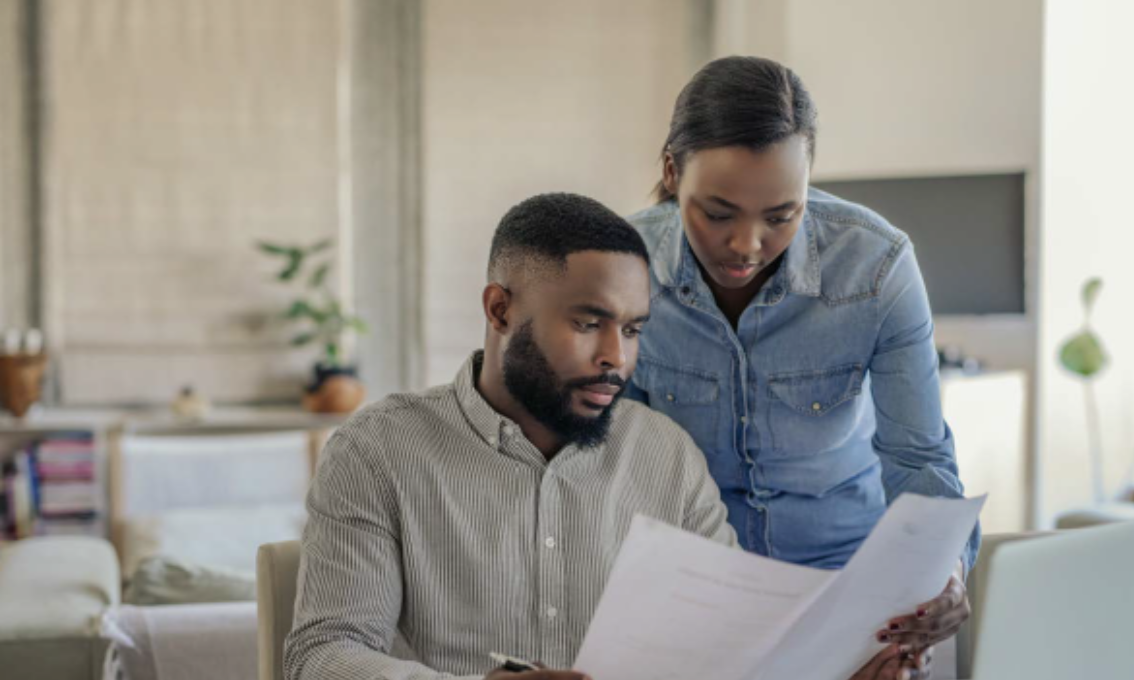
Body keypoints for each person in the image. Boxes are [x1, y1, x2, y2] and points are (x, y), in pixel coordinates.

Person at [284, 193, 929, 680]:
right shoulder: (378, 449)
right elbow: (322, 655)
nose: (616, 358)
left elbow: (733, 644)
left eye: (634, 329)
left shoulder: (666, 456)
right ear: (500, 309)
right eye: (590, 323)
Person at [624, 55, 978, 654]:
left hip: (850, 589)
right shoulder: (621, 266)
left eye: (781, 215)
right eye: (717, 213)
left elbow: (919, 460)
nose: (746, 245)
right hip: (690, 591)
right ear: (670, 170)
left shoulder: (877, 267)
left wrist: (944, 574)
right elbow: (607, 467)